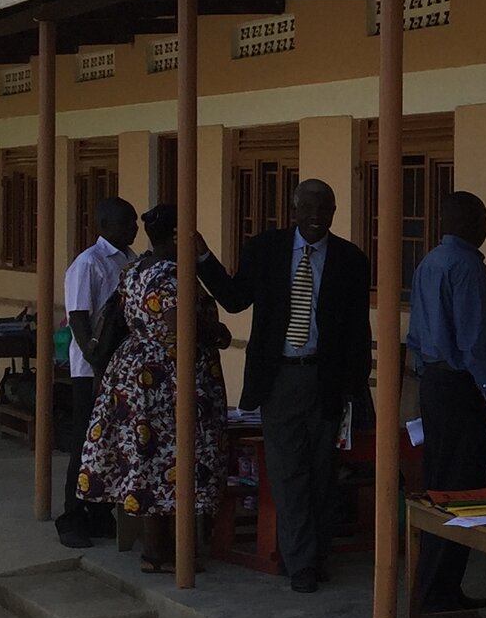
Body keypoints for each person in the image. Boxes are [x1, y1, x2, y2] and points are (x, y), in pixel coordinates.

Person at [201, 179, 371, 594]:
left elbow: (356, 329)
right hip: (279, 377)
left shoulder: (350, 259)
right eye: (308, 209)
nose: (317, 218)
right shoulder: (266, 249)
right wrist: (202, 257)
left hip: (325, 378)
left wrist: (355, 388)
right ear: (293, 210)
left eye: (325, 210)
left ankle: (316, 553)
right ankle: (301, 564)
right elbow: (235, 299)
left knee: (323, 472)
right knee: (288, 471)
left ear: (334, 211)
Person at [76, 204, 231, 573]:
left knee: (148, 463)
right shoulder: (172, 276)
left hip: (136, 375)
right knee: (177, 461)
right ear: (178, 235)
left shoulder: (135, 268)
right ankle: (176, 553)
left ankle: (154, 553)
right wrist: (218, 333)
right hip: (170, 378)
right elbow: (179, 324)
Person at [406, 189, 486, 616]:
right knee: (463, 491)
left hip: (434, 383)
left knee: (440, 487)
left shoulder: (429, 262)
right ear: (467, 222)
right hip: (462, 387)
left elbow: (415, 337)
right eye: (482, 218)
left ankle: (436, 586)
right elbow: (474, 342)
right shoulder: (466, 267)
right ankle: (439, 591)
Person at [55, 197, 138, 548]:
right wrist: (95, 361)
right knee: (85, 444)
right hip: (91, 370)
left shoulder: (132, 261)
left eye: (134, 222)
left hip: (121, 367)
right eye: (125, 223)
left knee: (113, 444)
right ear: (103, 226)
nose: (133, 228)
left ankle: (101, 514)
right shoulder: (88, 264)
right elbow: (78, 317)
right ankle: (72, 517)